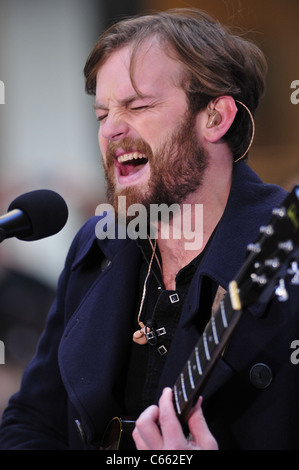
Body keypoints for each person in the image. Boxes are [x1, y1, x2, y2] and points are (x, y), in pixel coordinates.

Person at [0, 8, 298, 450]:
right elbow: (31, 419)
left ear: (215, 118)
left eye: (138, 106)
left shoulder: (283, 245)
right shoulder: (99, 245)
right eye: (102, 114)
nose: (112, 130)